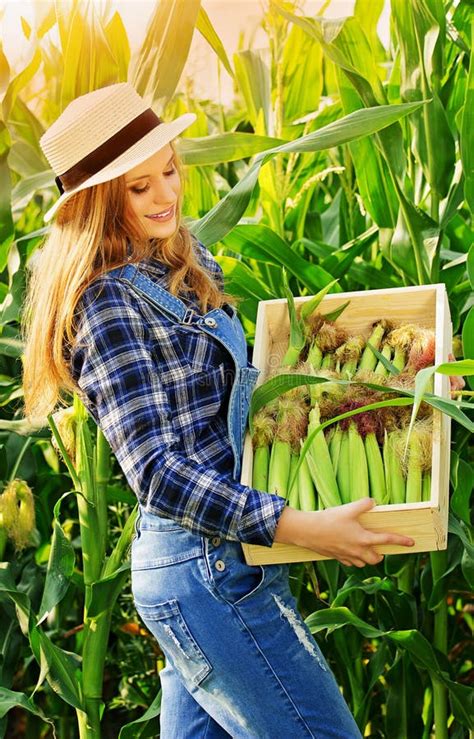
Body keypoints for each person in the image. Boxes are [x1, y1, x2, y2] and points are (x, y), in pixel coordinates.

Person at [22, 82, 420, 738]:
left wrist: (401, 385)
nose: (167, 196)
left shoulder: (178, 259)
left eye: (169, 171)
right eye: (139, 187)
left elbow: (252, 379)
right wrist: (298, 525)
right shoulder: (104, 307)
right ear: (97, 201)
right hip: (207, 569)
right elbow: (157, 472)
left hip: (226, 563)